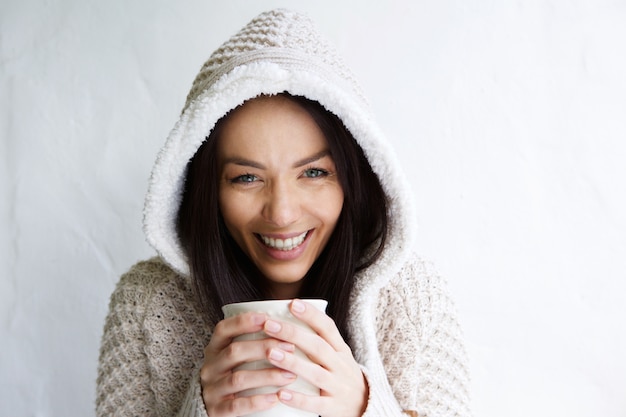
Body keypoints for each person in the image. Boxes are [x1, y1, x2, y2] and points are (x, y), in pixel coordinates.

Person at [96, 8, 471, 417]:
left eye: (313, 172)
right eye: (246, 178)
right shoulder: (148, 304)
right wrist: (200, 409)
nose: (282, 213)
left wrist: (366, 407)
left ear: (354, 176)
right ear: (207, 188)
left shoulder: (411, 300)